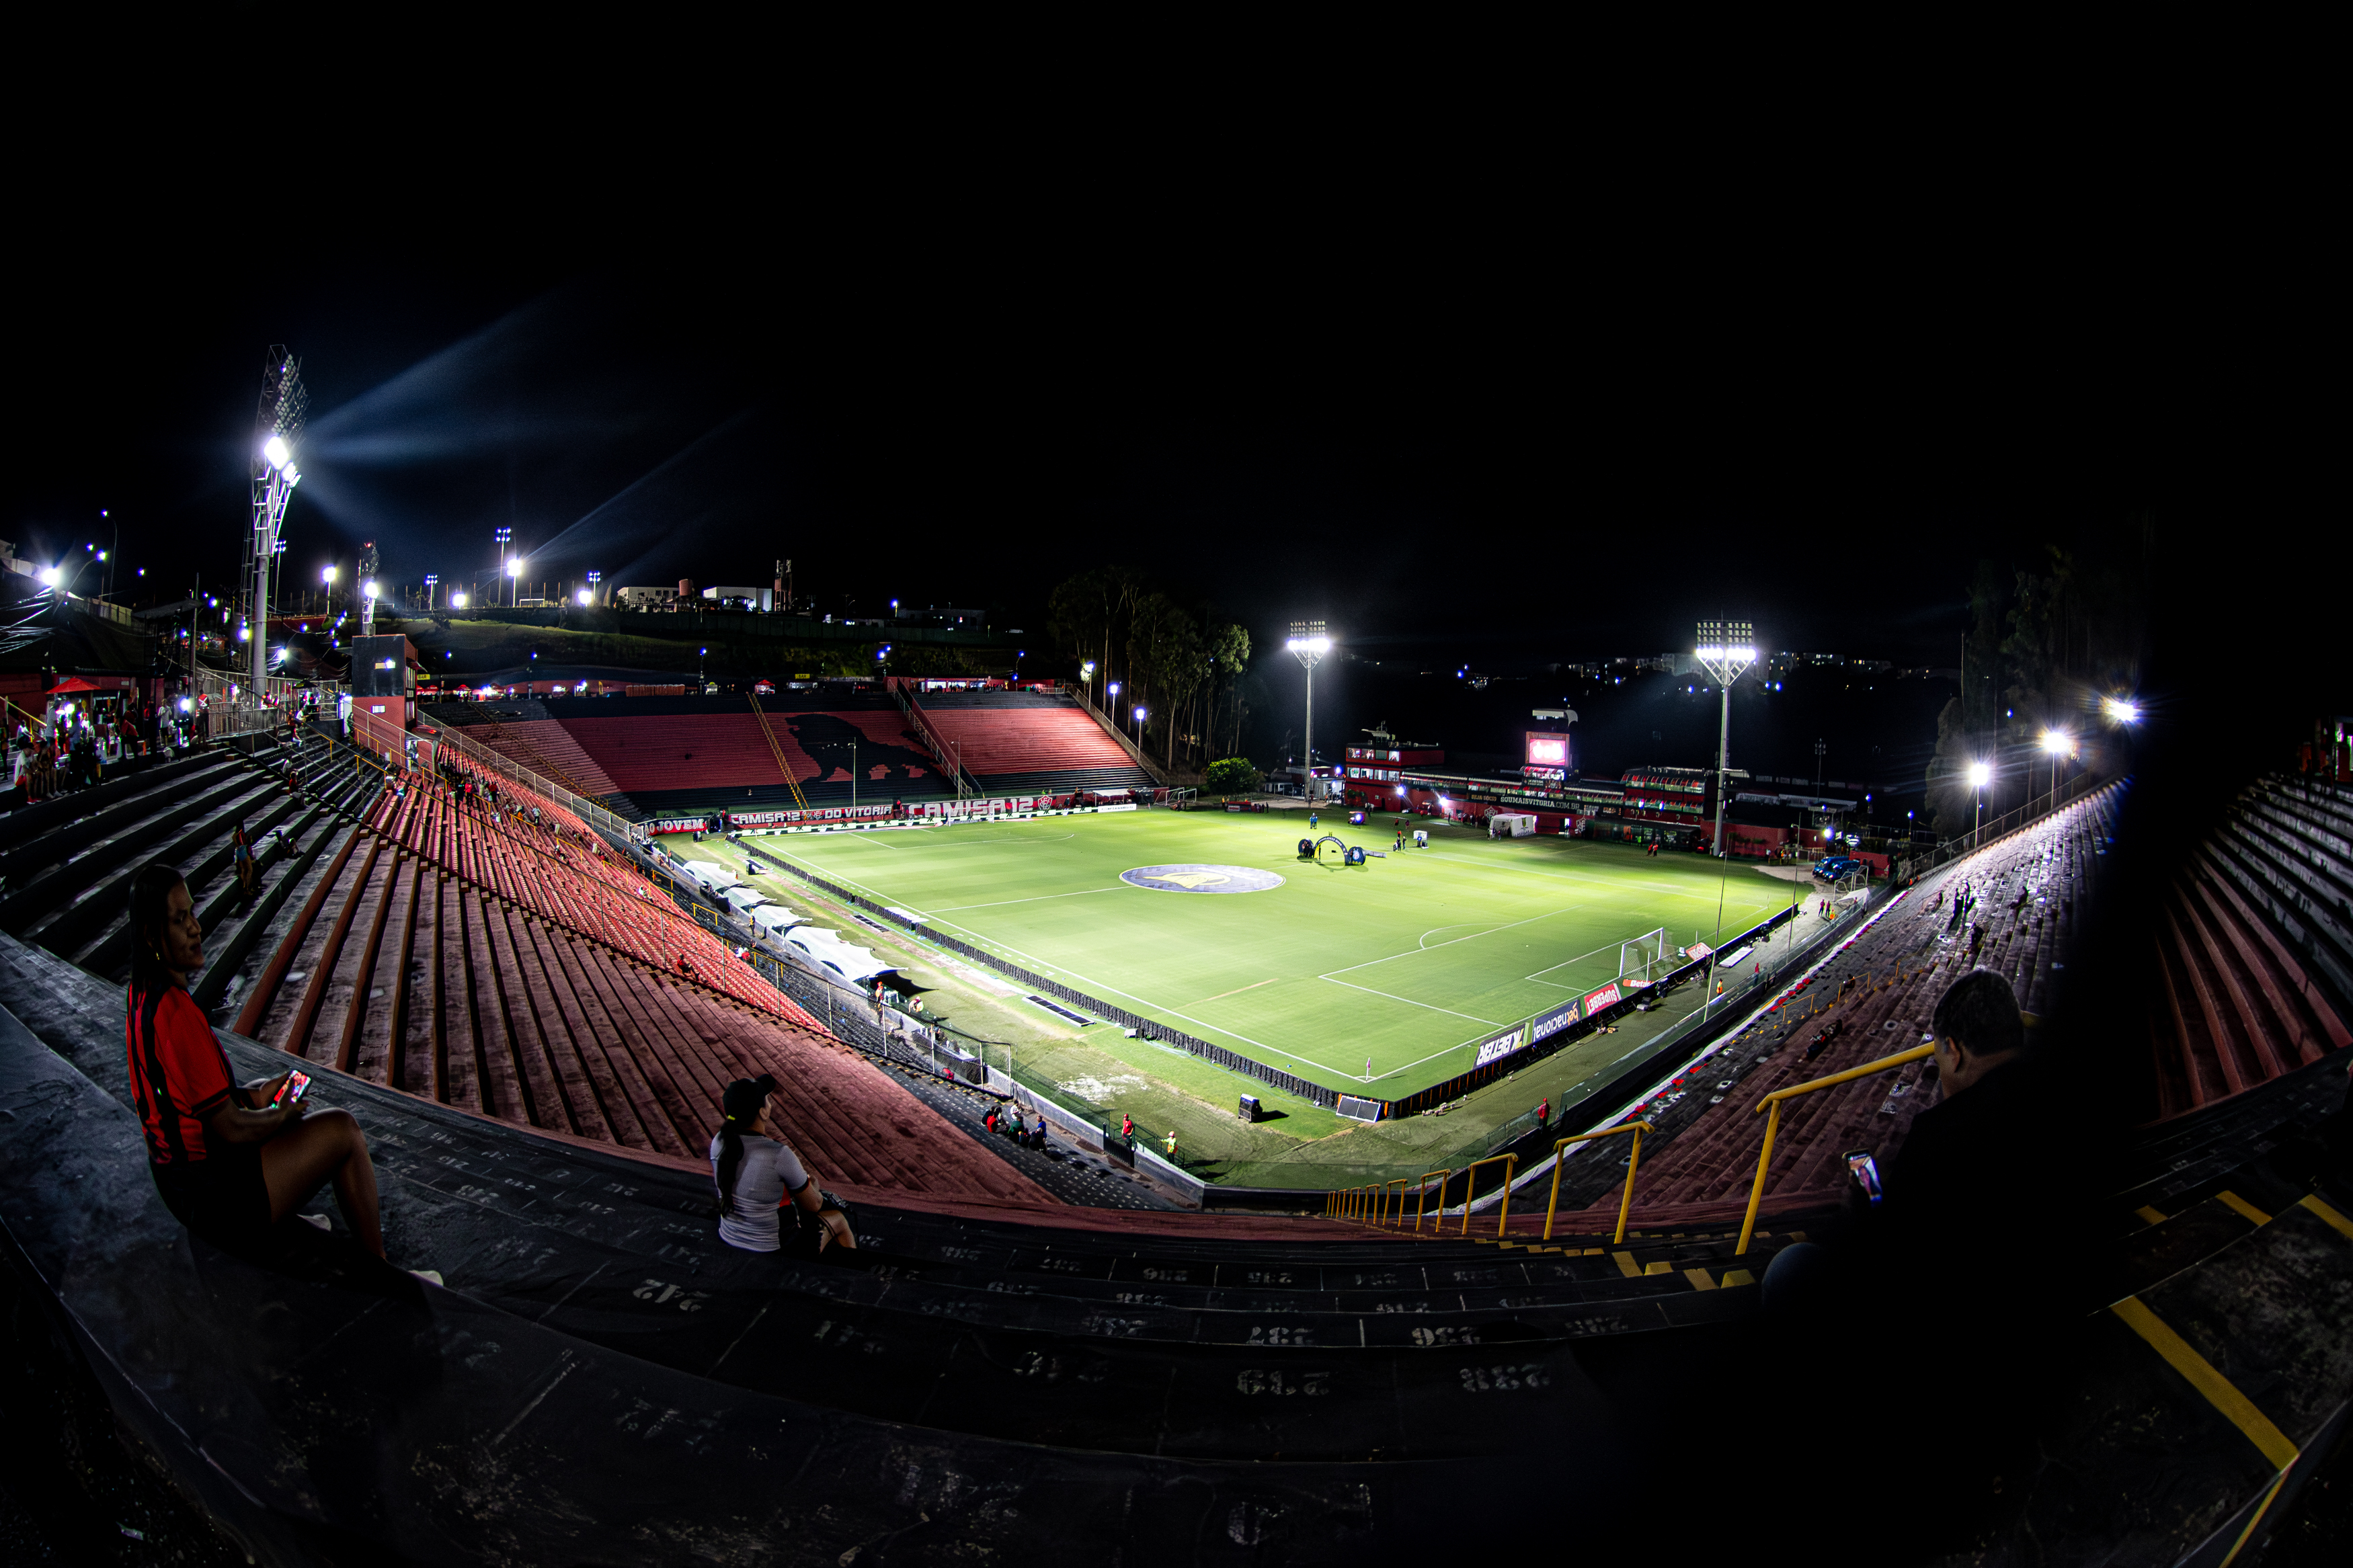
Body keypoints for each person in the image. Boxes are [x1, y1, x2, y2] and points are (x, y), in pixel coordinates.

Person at [122, 862, 391, 1263]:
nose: (196, 928)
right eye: (181, 920)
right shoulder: (177, 1015)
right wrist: (280, 1115)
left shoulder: (143, 995)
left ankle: (285, 1207)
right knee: (344, 1131)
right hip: (213, 1201)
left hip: (178, 1182)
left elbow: (193, 1102)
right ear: (151, 935)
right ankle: (380, 1267)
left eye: (192, 913)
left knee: (266, 1088)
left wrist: (260, 1096)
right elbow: (229, 1128)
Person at [711, 1077, 854, 1255]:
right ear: (763, 1112)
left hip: (729, 1235)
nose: (770, 1104)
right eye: (767, 1100)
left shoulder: (718, 1142)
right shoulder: (778, 1154)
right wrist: (814, 1185)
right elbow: (814, 1205)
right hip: (772, 1246)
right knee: (839, 1220)